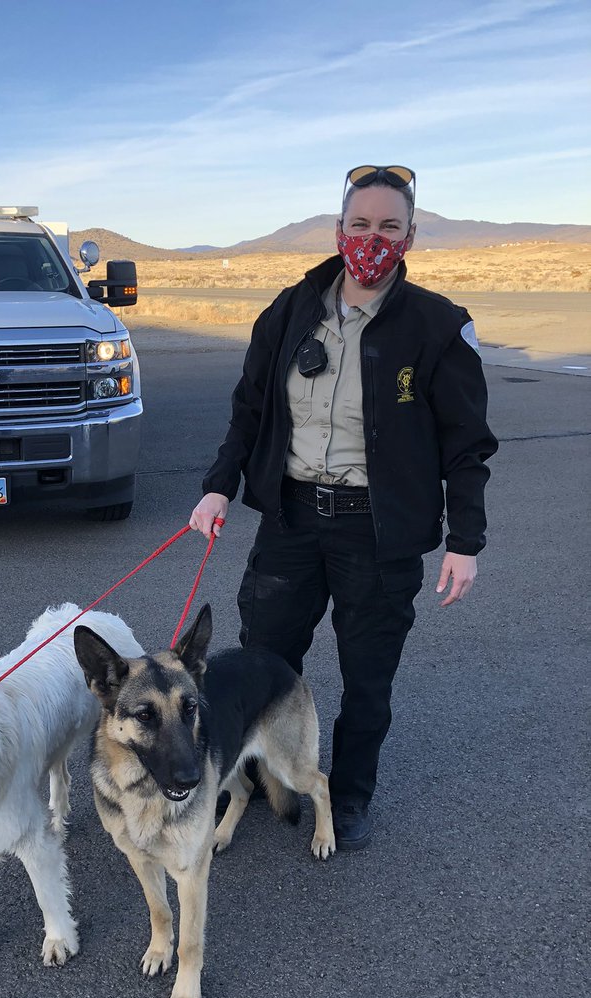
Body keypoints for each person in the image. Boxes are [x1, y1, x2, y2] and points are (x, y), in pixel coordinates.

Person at [189, 165, 498, 852]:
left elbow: (466, 444)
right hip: (291, 519)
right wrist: (218, 484)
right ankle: (255, 777)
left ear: (409, 237)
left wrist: (465, 541)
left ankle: (350, 794)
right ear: (338, 230)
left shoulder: (438, 326)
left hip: (378, 532)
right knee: (263, 661)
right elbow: (250, 409)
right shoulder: (291, 309)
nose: (372, 239)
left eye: (389, 226)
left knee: (368, 675)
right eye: (360, 224)